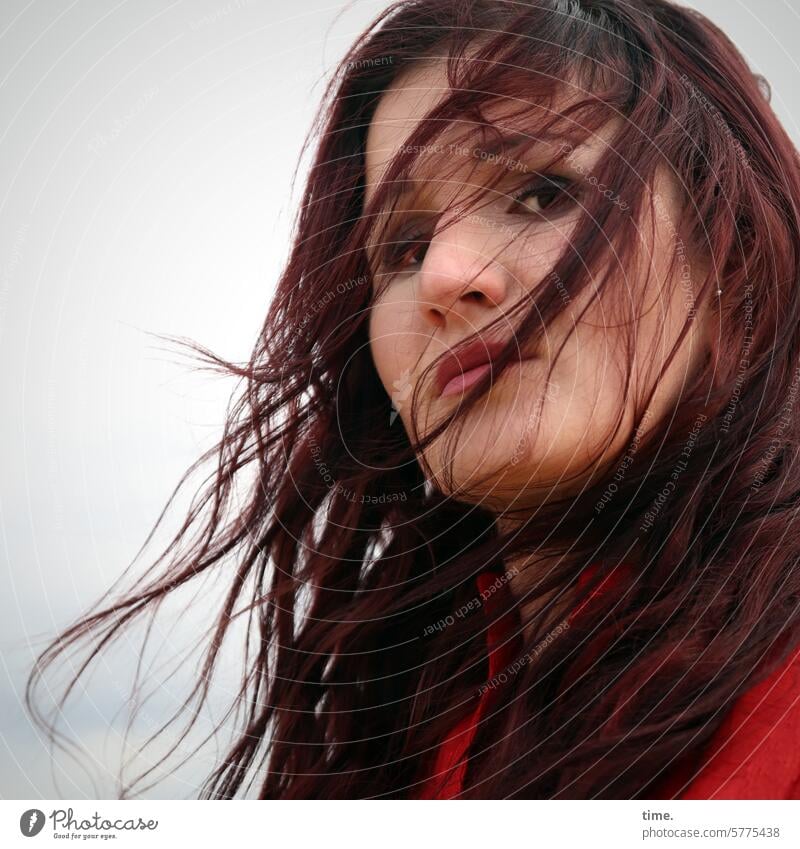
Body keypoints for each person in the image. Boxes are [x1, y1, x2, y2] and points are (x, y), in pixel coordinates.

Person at [28, 0, 800, 799]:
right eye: (402, 246)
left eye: (542, 191)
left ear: (734, 256)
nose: (444, 274)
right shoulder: (388, 738)